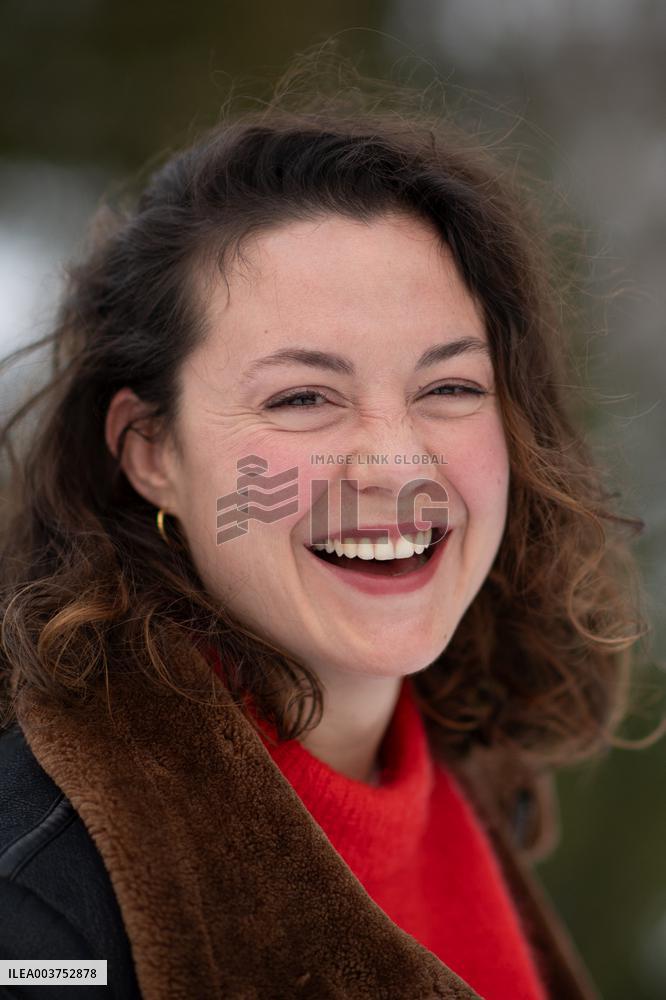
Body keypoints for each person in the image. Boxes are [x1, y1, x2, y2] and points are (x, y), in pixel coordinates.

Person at [0, 55, 655, 999]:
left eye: (449, 388)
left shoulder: (476, 786)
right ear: (151, 450)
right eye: (304, 396)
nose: (394, 464)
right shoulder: (41, 911)